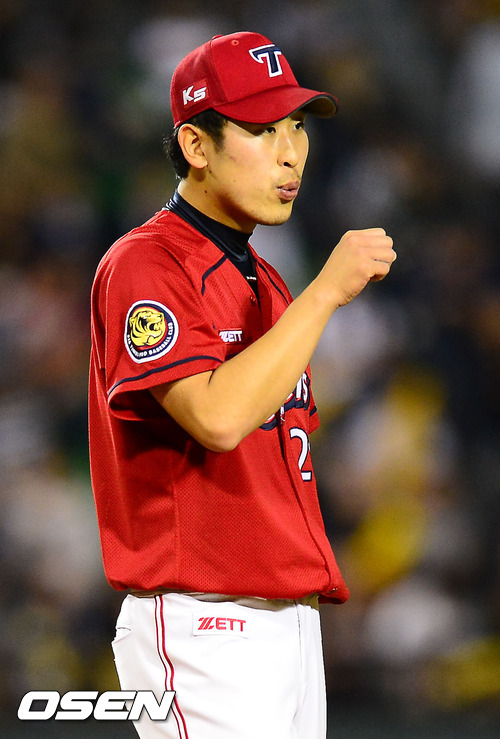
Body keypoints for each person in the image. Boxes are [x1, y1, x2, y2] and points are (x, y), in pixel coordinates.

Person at [88, 30, 396, 739]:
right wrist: (327, 293)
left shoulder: (266, 281)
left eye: (297, 127)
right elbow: (217, 418)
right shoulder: (148, 263)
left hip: (287, 622)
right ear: (196, 146)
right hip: (205, 624)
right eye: (262, 130)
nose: (291, 153)